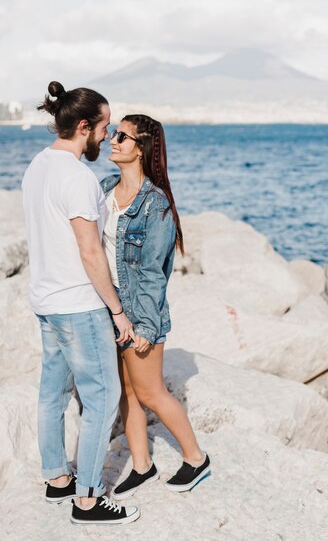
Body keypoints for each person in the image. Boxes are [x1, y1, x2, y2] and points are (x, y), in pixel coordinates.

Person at [22, 81, 139, 526]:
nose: (109, 137)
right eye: (105, 127)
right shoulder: (77, 177)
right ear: (84, 126)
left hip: (46, 299)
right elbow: (91, 253)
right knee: (103, 397)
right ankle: (88, 501)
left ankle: (57, 479)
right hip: (78, 303)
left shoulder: (37, 166)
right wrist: (117, 309)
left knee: (52, 394)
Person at [100, 114, 211, 499]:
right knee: (126, 394)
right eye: (113, 134)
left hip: (139, 313)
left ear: (141, 148)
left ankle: (196, 458)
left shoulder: (155, 205)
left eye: (122, 136)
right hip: (110, 310)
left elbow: (152, 273)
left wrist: (144, 326)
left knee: (150, 393)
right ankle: (143, 466)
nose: (112, 140)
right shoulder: (104, 190)